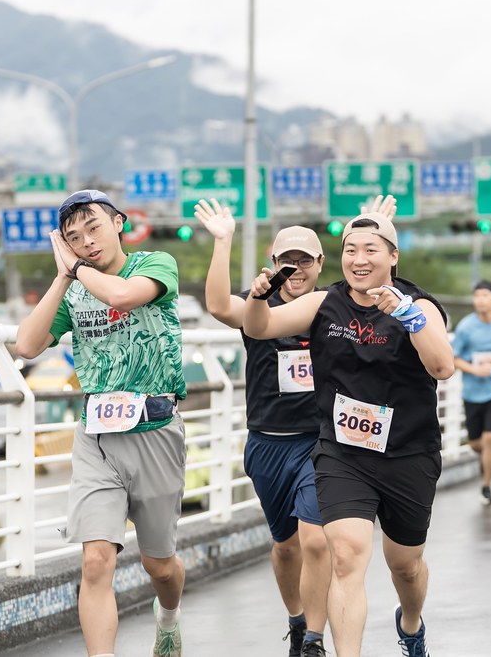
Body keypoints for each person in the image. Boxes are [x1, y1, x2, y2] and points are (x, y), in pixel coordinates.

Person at [243, 211, 454, 657]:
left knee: (406, 566)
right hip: (343, 454)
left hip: (408, 454)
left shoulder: (420, 304)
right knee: (347, 556)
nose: (358, 260)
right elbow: (258, 328)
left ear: (393, 257)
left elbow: (443, 367)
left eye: (370, 250)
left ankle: (411, 623)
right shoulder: (326, 303)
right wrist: (259, 298)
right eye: (350, 251)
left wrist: (408, 316)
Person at [14, 189, 187, 657]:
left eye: (94, 228)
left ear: (118, 224)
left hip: (154, 431)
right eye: (73, 238)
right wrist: (61, 277)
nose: (86, 241)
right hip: (97, 436)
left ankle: (168, 617)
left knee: (160, 566)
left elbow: (125, 296)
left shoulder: (155, 264)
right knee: (95, 562)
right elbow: (27, 345)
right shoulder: (74, 285)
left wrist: (79, 270)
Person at [194, 197, 335, 657]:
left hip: (320, 442)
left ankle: (314, 639)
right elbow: (217, 304)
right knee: (287, 547)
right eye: (286, 260)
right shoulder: (261, 307)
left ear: (319, 264)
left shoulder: (331, 307)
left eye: (304, 261)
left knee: (316, 539)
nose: (295, 269)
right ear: (272, 263)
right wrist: (223, 241)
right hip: (267, 443)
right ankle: (297, 620)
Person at [451, 279, 491, 505]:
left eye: (485, 295)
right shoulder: (466, 327)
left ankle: (486, 485)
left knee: (490, 438)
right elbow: (453, 357)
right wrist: (475, 370)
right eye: (477, 296)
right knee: (476, 444)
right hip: (472, 393)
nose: (480, 300)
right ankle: (486, 458)